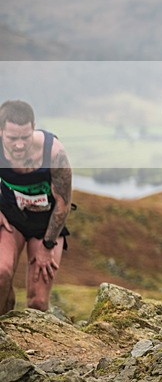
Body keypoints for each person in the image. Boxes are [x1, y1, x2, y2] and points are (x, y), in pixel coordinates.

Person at [0, 100, 73, 315]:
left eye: (26, 137)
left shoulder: (53, 153)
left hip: (46, 224)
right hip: (12, 219)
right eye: (13, 138)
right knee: (1, 275)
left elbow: (64, 202)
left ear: (34, 127)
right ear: (1, 131)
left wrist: (47, 245)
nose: (20, 144)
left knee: (38, 303)